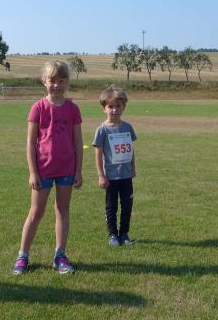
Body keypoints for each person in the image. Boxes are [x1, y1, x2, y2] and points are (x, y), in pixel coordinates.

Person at [12, 61, 83, 275]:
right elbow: (30, 143)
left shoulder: (73, 109)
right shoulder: (38, 108)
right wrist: (33, 172)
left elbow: (78, 142)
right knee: (36, 212)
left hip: (67, 169)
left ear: (67, 83)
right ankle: (23, 256)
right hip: (42, 170)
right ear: (44, 81)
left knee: (62, 210)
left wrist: (78, 171)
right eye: (52, 80)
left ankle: (60, 256)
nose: (56, 85)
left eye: (61, 81)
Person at [92, 85, 137, 246]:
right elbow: (98, 154)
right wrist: (101, 175)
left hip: (126, 175)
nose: (115, 110)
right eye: (110, 106)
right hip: (111, 176)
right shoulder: (102, 130)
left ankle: (124, 234)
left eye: (118, 106)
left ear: (123, 107)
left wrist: (133, 167)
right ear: (104, 108)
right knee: (111, 207)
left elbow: (130, 149)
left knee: (127, 205)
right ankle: (112, 235)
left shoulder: (127, 127)